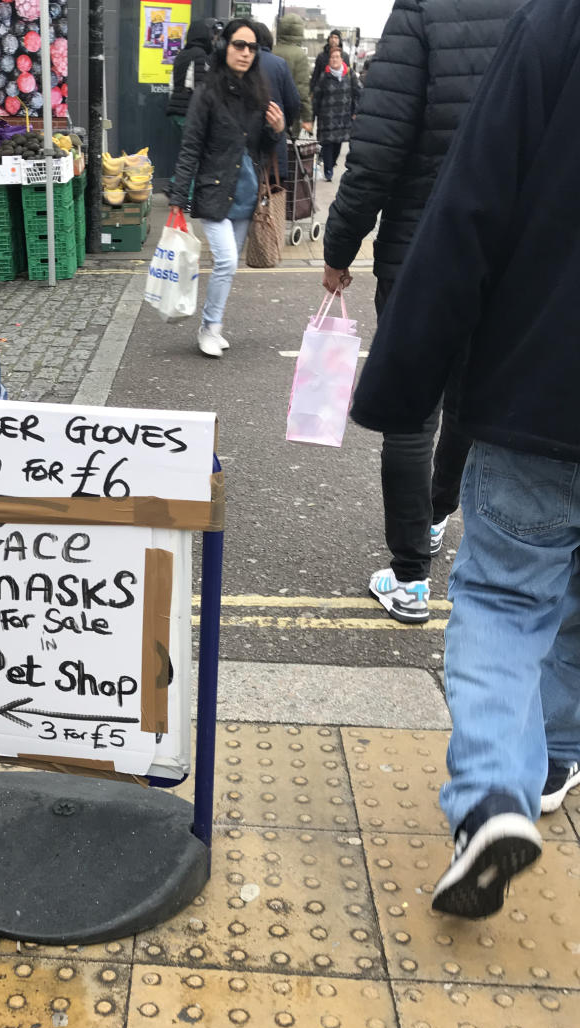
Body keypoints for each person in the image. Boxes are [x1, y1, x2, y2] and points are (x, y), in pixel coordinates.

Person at [351, 0, 580, 919]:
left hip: (543, 387)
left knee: (505, 595)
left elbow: (469, 208)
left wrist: (405, 384)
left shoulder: (558, 28)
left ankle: (493, 795)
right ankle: (556, 756)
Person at [322, 0, 518, 625]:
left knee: (412, 412)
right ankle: (434, 517)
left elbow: (377, 148)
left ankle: (409, 578)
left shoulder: (421, 12)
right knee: (469, 399)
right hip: (512, 249)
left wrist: (338, 247)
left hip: (422, 244)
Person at [168, 18, 285, 358]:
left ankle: (213, 325)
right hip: (213, 191)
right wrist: (178, 198)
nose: (245, 52)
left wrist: (276, 129)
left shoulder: (258, 92)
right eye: (239, 45)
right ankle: (209, 327)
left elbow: (261, 146)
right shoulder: (207, 92)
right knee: (227, 262)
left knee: (228, 267)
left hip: (246, 192)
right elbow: (190, 146)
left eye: (251, 47)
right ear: (225, 46)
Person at [165, 20, 214, 181]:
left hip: (175, 111)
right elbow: (200, 89)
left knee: (187, 153)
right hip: (188, 113)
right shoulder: (200, 56)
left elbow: (172, 85)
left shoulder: (181, 55)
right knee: (194, 155)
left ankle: (175, 185)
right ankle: (181, 190)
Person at [255, 23, 300, 180]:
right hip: (274, 146)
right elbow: (293, 103)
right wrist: (281, 124)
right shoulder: (279, 64)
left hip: (244, 155)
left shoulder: (239, 64)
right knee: (272, 195)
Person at [312, 48, 360, 181]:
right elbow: (316, 97)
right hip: (326, 118)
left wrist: (356, 111)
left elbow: (358, 92)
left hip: (343, 118)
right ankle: (328, 170)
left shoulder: (349, 74)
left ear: (341, 59)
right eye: (332, 57)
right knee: (327, 144)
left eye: (337, 57)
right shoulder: (324, 76)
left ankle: (331, 164)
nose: (334, 59)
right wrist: (312, 117)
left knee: (337, 147)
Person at [272, 14, 313, 135]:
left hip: (269, 110)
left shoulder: (271, 50)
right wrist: (307, 117)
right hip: (288, 114)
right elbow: (302, 89)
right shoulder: (300, 55)